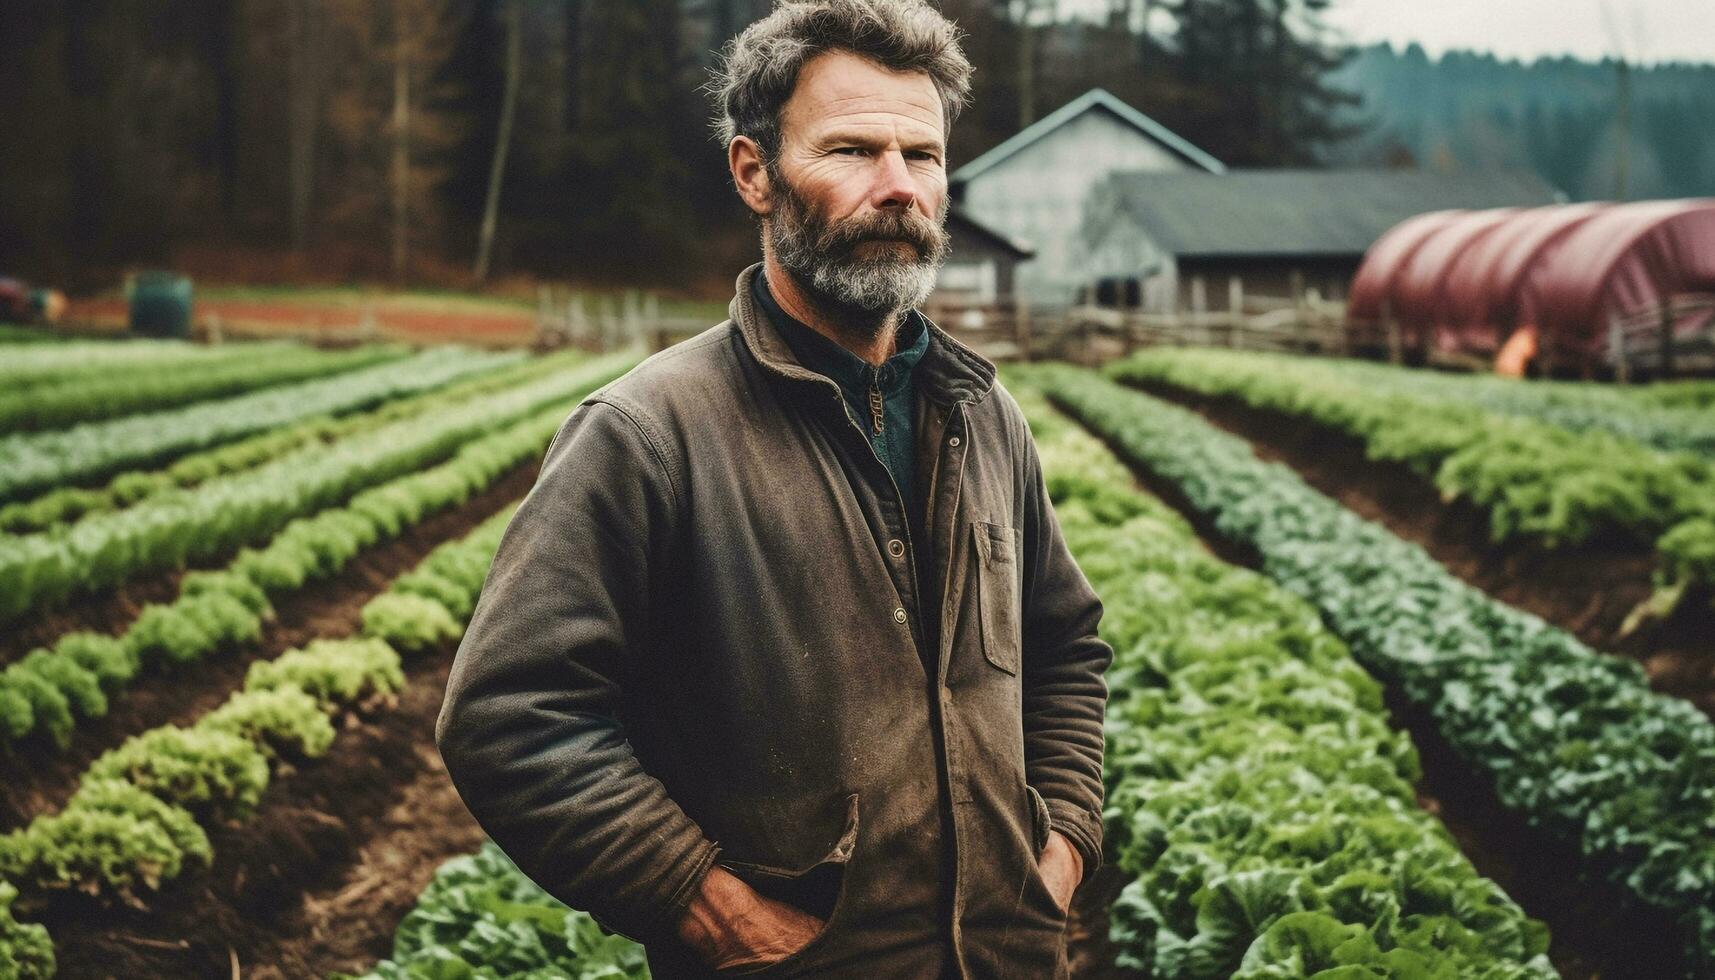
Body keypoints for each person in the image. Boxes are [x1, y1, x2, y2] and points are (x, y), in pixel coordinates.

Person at [436, 2, 1111, 976]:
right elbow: (510, 711)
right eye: (849, 151)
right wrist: (705, 906)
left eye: (920, 156)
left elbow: (1064, 641)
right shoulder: (648, 433)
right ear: (752, 172)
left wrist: (1061, 849)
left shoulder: (978, 412)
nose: (895, 188)